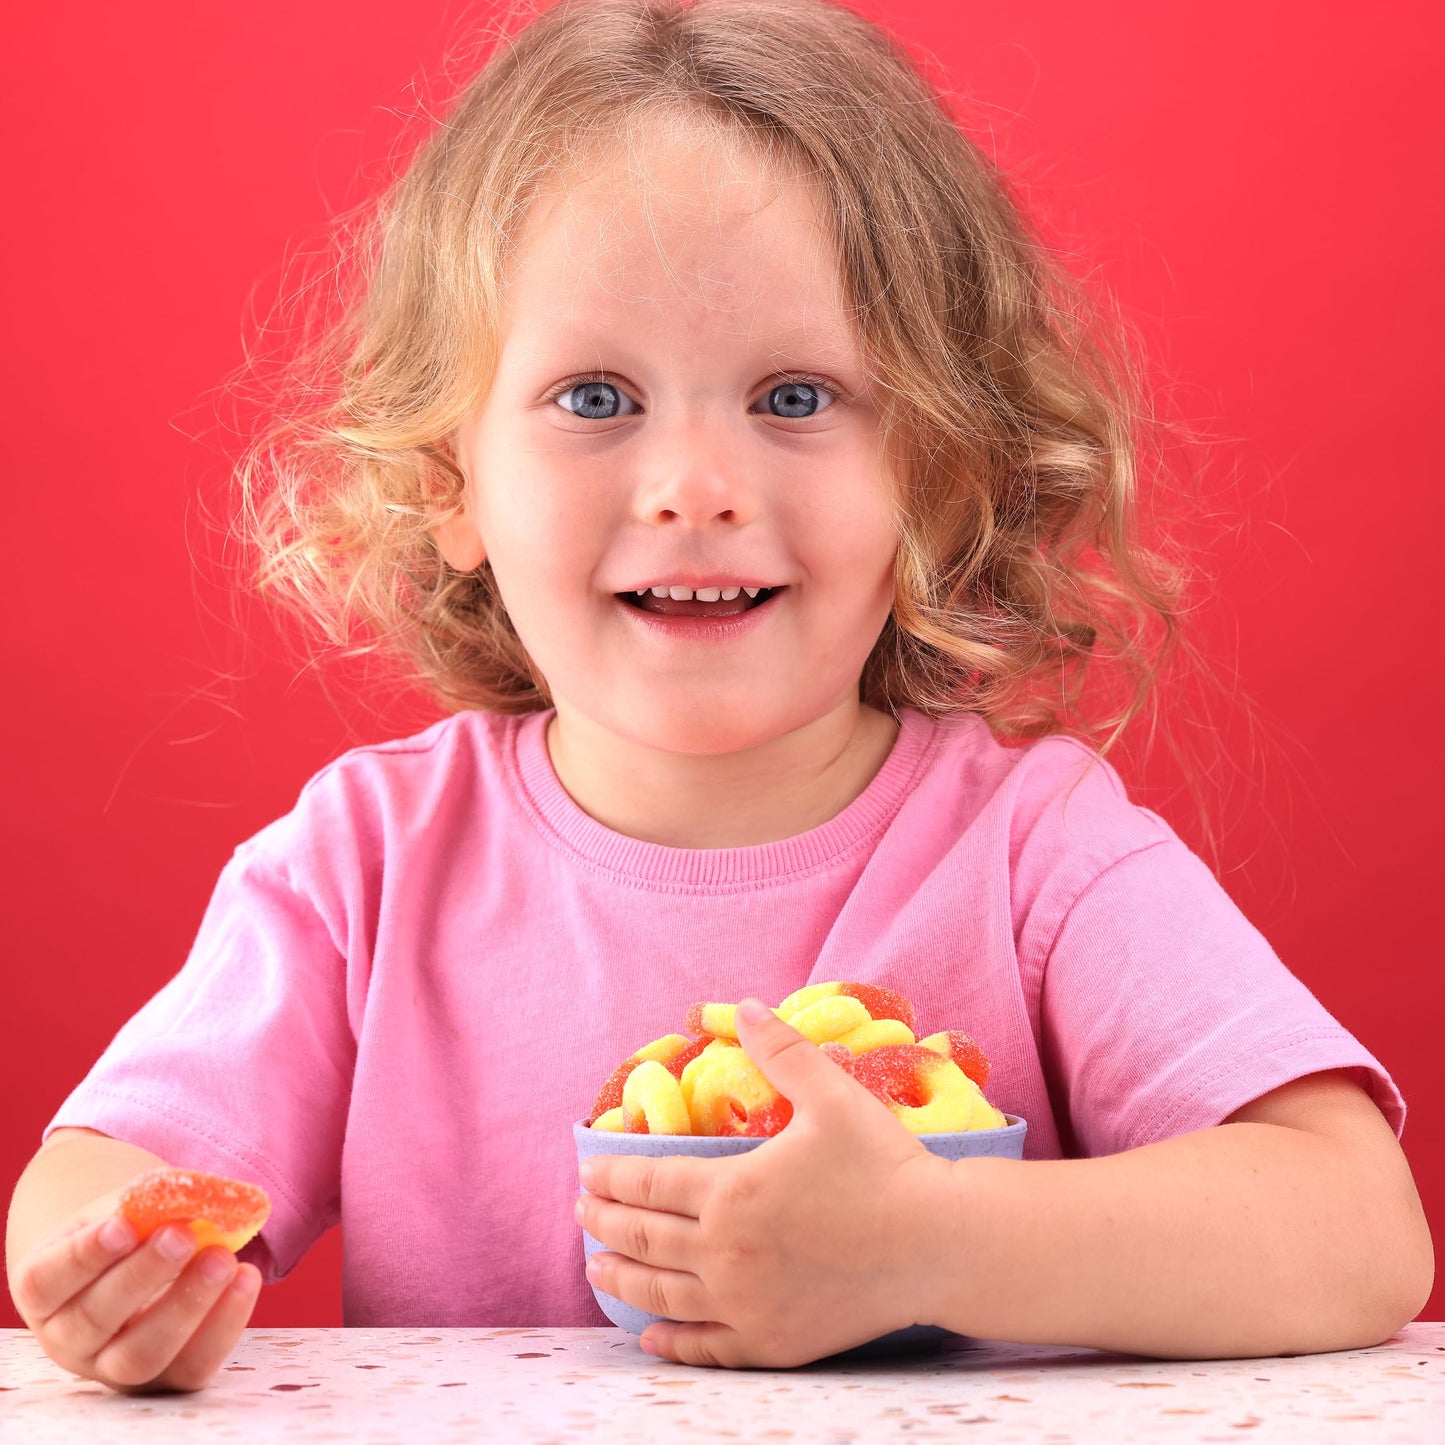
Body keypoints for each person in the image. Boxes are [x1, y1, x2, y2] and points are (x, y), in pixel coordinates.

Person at [6, 0, 1432, 1393]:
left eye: (796, 398)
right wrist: (109, 1275)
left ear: (932, 470)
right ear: (448, 479)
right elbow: (105, 1171)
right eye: (594, 398)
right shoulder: (364, 870)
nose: (694, 485)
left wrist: (933, 1245)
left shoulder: (1029, 855)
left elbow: (1356, 1229)